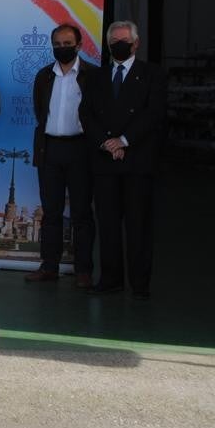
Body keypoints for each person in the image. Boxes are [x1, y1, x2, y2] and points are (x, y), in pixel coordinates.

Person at [81, 20, 167, 299]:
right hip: (105, 161)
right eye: (113, 42)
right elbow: (87, 114)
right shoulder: (96, 77)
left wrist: (125, 140)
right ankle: (110, 278)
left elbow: (153, 114)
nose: (118, 45)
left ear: (136, 43)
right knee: (107, 223)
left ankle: (140, 283)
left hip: (137, 161)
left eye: (123, 41)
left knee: (138, 224)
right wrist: (106, 142)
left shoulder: (152, 74)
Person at [26, 23, 98, 287]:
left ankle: (83, 271)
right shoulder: (44, 76)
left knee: (81, 212)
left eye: (68, 44)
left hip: (81, 149)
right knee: (51, 212)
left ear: (79, 46)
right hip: (50, 149)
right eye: (57, 44)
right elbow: (39, 110)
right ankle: (49, 267)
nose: (62, 48)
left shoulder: (92, 75)